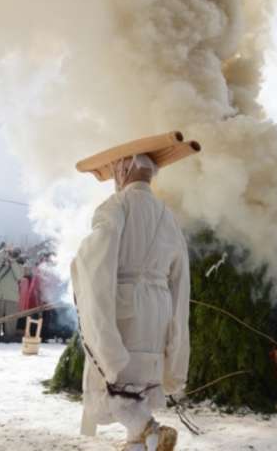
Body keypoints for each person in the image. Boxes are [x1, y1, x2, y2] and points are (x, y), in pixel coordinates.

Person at [72, 132, 198, 451]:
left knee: (119, 391)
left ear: (124, 170)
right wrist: (175, 330)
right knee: (137, 387)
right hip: (158, 311)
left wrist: (78, 267)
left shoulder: (116, 206)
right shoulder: (168, 216)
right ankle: (136, 444)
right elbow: (181, 278)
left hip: (125, 308)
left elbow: (96, 261)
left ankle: (150, 431)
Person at [0, 246, 24, 342]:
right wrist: (4, 250)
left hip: (12, 298)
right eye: (12, 253)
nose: (13, 255)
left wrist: (13, 262)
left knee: (11, 321)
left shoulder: (20, 266)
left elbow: (19, 276)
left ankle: (9, 338)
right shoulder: (2, 264)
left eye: (15, 254)